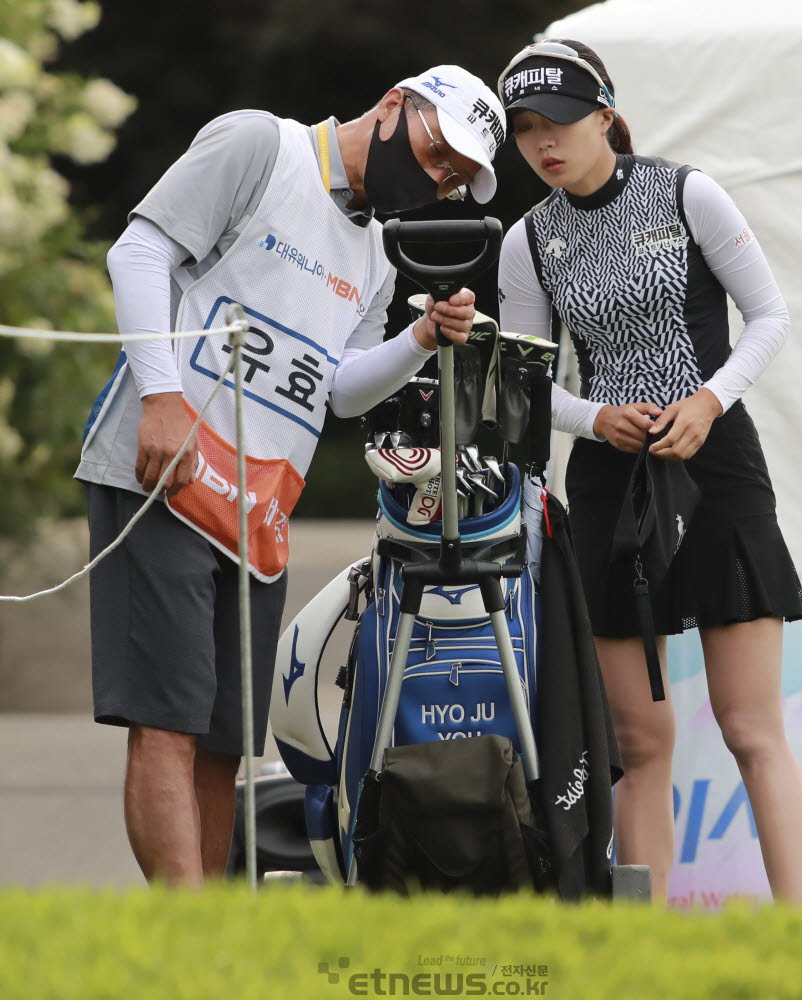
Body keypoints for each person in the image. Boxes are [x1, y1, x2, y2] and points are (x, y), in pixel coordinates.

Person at [75, 66, 506, 886]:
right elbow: (138, 250)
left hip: (257, 508)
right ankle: (183, 941)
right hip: (161, 471)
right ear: (391, 107)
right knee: (165, 725)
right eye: (435, 150)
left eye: (453, 176)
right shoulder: (258, 143)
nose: (436, 178)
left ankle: (205, 948)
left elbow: (339, 387)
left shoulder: (377, 249)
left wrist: (419, 338)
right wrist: (161, 400)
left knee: (220, 745)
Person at [496, 40, 802, 905]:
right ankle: (645, 953)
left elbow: (769, 315)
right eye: (524, 131)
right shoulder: (526, 241)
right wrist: (593, 417)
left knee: (751, 727)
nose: (543, 144)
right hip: (607, 484)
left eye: (558, 122)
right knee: (638, 745)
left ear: (605, 114)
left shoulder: (685, 192)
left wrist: (707, 402)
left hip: (718, 470)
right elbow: (525, 380)